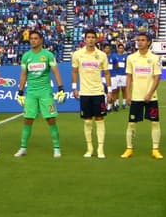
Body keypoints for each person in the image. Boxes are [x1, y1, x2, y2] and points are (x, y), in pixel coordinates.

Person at [14, 29, 65, 158]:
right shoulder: (26, 56)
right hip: (31, 93)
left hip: (45, 93)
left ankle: (57, 148)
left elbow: (56, 72)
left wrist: (61, 88)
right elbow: (23, 75)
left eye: (36, 38)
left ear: (41, 40)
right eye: (31, 39)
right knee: (27, 120)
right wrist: (20, 92)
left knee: (51, 119)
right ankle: (23, 147)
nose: (33, 41)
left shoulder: (48, 55)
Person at [123, 31, 162, 159]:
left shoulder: (155, 58)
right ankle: (129, 149)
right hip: (136, 97)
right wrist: (128, 95)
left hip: (151, 97)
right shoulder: (131, 58)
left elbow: (157, 78)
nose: (140, 42)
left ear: (149, 42)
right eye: (138, 40)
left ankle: (155, 149)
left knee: (155, 123)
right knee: (132, 123)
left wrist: (150, 93)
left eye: (143, 40)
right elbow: (128, 78)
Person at [71, 29, 109, 159]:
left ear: (96, 39)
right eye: (89, 37)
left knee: (99, 119)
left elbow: (107, 73)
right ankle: (89, 148)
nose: (91, 39)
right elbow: (75, 71)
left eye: (93, 37)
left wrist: (108, 89)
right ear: (85, 39)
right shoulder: (77, 54)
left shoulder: (102, 55)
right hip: (85, 93)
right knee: (87, 121)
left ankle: (100, 148)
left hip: (98, 92)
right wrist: (74, 87)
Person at [105, 42, 128, 112]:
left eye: (108, 48)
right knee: (106, 91)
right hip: (105, 77)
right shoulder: (102, 57)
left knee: (116, 90)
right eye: (106, 48)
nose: (107, 49)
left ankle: (114, 104)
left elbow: (117, 65)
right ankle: (111, 104)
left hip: (117, 76)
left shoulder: (115, 57)